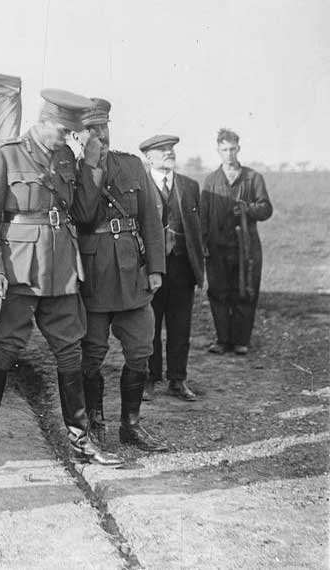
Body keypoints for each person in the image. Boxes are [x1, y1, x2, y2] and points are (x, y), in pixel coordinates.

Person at [0, 89, 123, 467]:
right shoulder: (4, 154)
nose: (68, 138)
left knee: (70, 351)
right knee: (6, 348)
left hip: (61, 270)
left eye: (73, 132)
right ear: (44, 122)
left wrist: (89, 166)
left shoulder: (68, 158)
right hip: (19, 269)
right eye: (63, 131)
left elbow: (85, 213)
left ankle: (81, 440)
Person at [76, 98, 168, 453]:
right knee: (92, 353)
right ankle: (95, 423)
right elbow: (81, 217)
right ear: (80, 134)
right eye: (93, 129)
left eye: (105, 127)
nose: (101, 134)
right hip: (95, 276)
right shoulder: (73, 168)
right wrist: (90, 166)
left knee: (141, 349)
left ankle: (130, 425)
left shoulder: (131, 165)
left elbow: (150, 221)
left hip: (133, 274)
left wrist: (156, 269)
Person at [140, 135, 204, 402]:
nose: (168, 153)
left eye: (171, 149)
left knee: (181, 327)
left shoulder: (189, 186)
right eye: (161, 150)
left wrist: (199, 269)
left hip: (182, 269)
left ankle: (178, 380)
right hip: (151, 269)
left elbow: (197, 231)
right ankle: (149, 380)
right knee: (149, 327)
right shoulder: (140, 186)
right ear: (149, 157)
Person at [201, 128, 272, 356]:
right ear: (218, 151)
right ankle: (223, 340)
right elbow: (203, 215)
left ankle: (241, 340)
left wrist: (248, 209)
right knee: (219, 292)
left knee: (245, 292)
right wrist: (203, 243)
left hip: (246, 248)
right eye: (224, 150)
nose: (229, 154)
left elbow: (266, 209)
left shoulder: (253, 178)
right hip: (217, 247)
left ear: (238, 149)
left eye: (232, 149)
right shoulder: (211, 180)